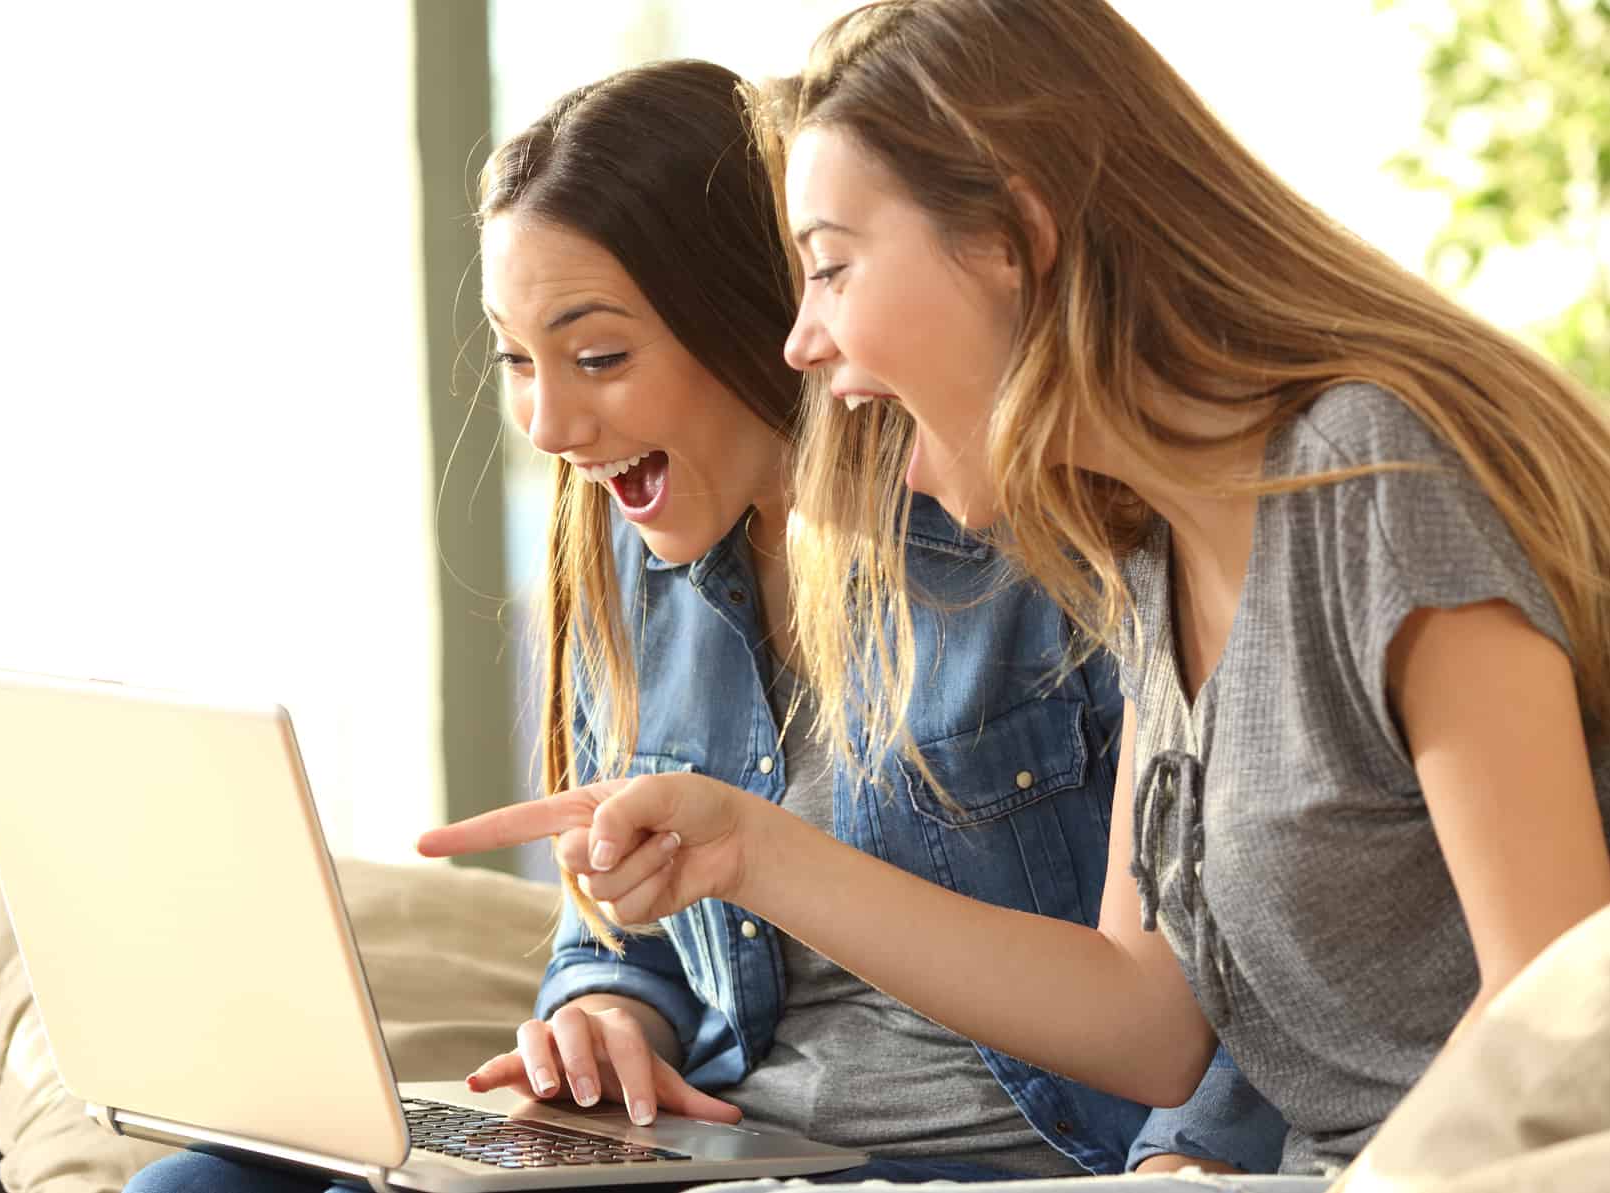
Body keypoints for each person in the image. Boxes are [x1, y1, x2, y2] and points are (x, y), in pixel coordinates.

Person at [420, 1, 1610, 1179]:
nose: (802, 341)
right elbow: (1150, 1021)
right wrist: (744, 852)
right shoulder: (1153, 546)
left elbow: (1555, 1022)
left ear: (1009, 240)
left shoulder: (1373, 478)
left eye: (830, 268)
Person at [129, 58, 1279, 1193]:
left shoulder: (1036, 537)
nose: (547, 421)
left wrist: (1189, 1161)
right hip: (727, 1138)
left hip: (986, 1155)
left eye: (599, 357)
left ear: (756, 309)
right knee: (200, 1185)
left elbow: (1231, 941)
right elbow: (625, 921)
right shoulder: (639, 555)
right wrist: (607, 1009)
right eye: (516, 358)